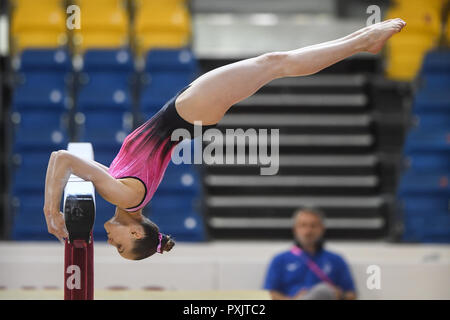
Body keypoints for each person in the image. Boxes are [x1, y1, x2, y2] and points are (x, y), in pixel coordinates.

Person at [42, 19, 406, 260]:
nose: (112, 244)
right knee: (273, 64)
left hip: (191, 113)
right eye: (121, 247)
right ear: (135, 230)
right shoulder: (122, 196)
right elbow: (62, 158)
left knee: (273, 64)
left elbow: (72, 160)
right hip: (190, 111)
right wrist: (50, 211)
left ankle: (361, 40)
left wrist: (62, 196)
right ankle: (363, 41)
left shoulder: (125, 194)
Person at [263, 207, 357, 300]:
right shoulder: (280, 259)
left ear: (322, 229)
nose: (308, 231)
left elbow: (352, 294)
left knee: (323, 290)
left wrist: (340, 295)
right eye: (303, 225)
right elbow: (268, 293)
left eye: (313, 226)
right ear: (295, 229)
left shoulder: (336, 260)